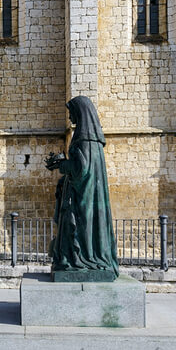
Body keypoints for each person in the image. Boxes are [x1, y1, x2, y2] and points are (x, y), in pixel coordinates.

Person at [45, 95, 118, 276]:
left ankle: (82, 259)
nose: (70, 118)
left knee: (78, 227)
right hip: (87, 192)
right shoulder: (91, 140)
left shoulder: (84, 139)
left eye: (71, 113)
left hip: (82, 197)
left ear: (80, 113)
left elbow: (80, 169)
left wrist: (61, 165)